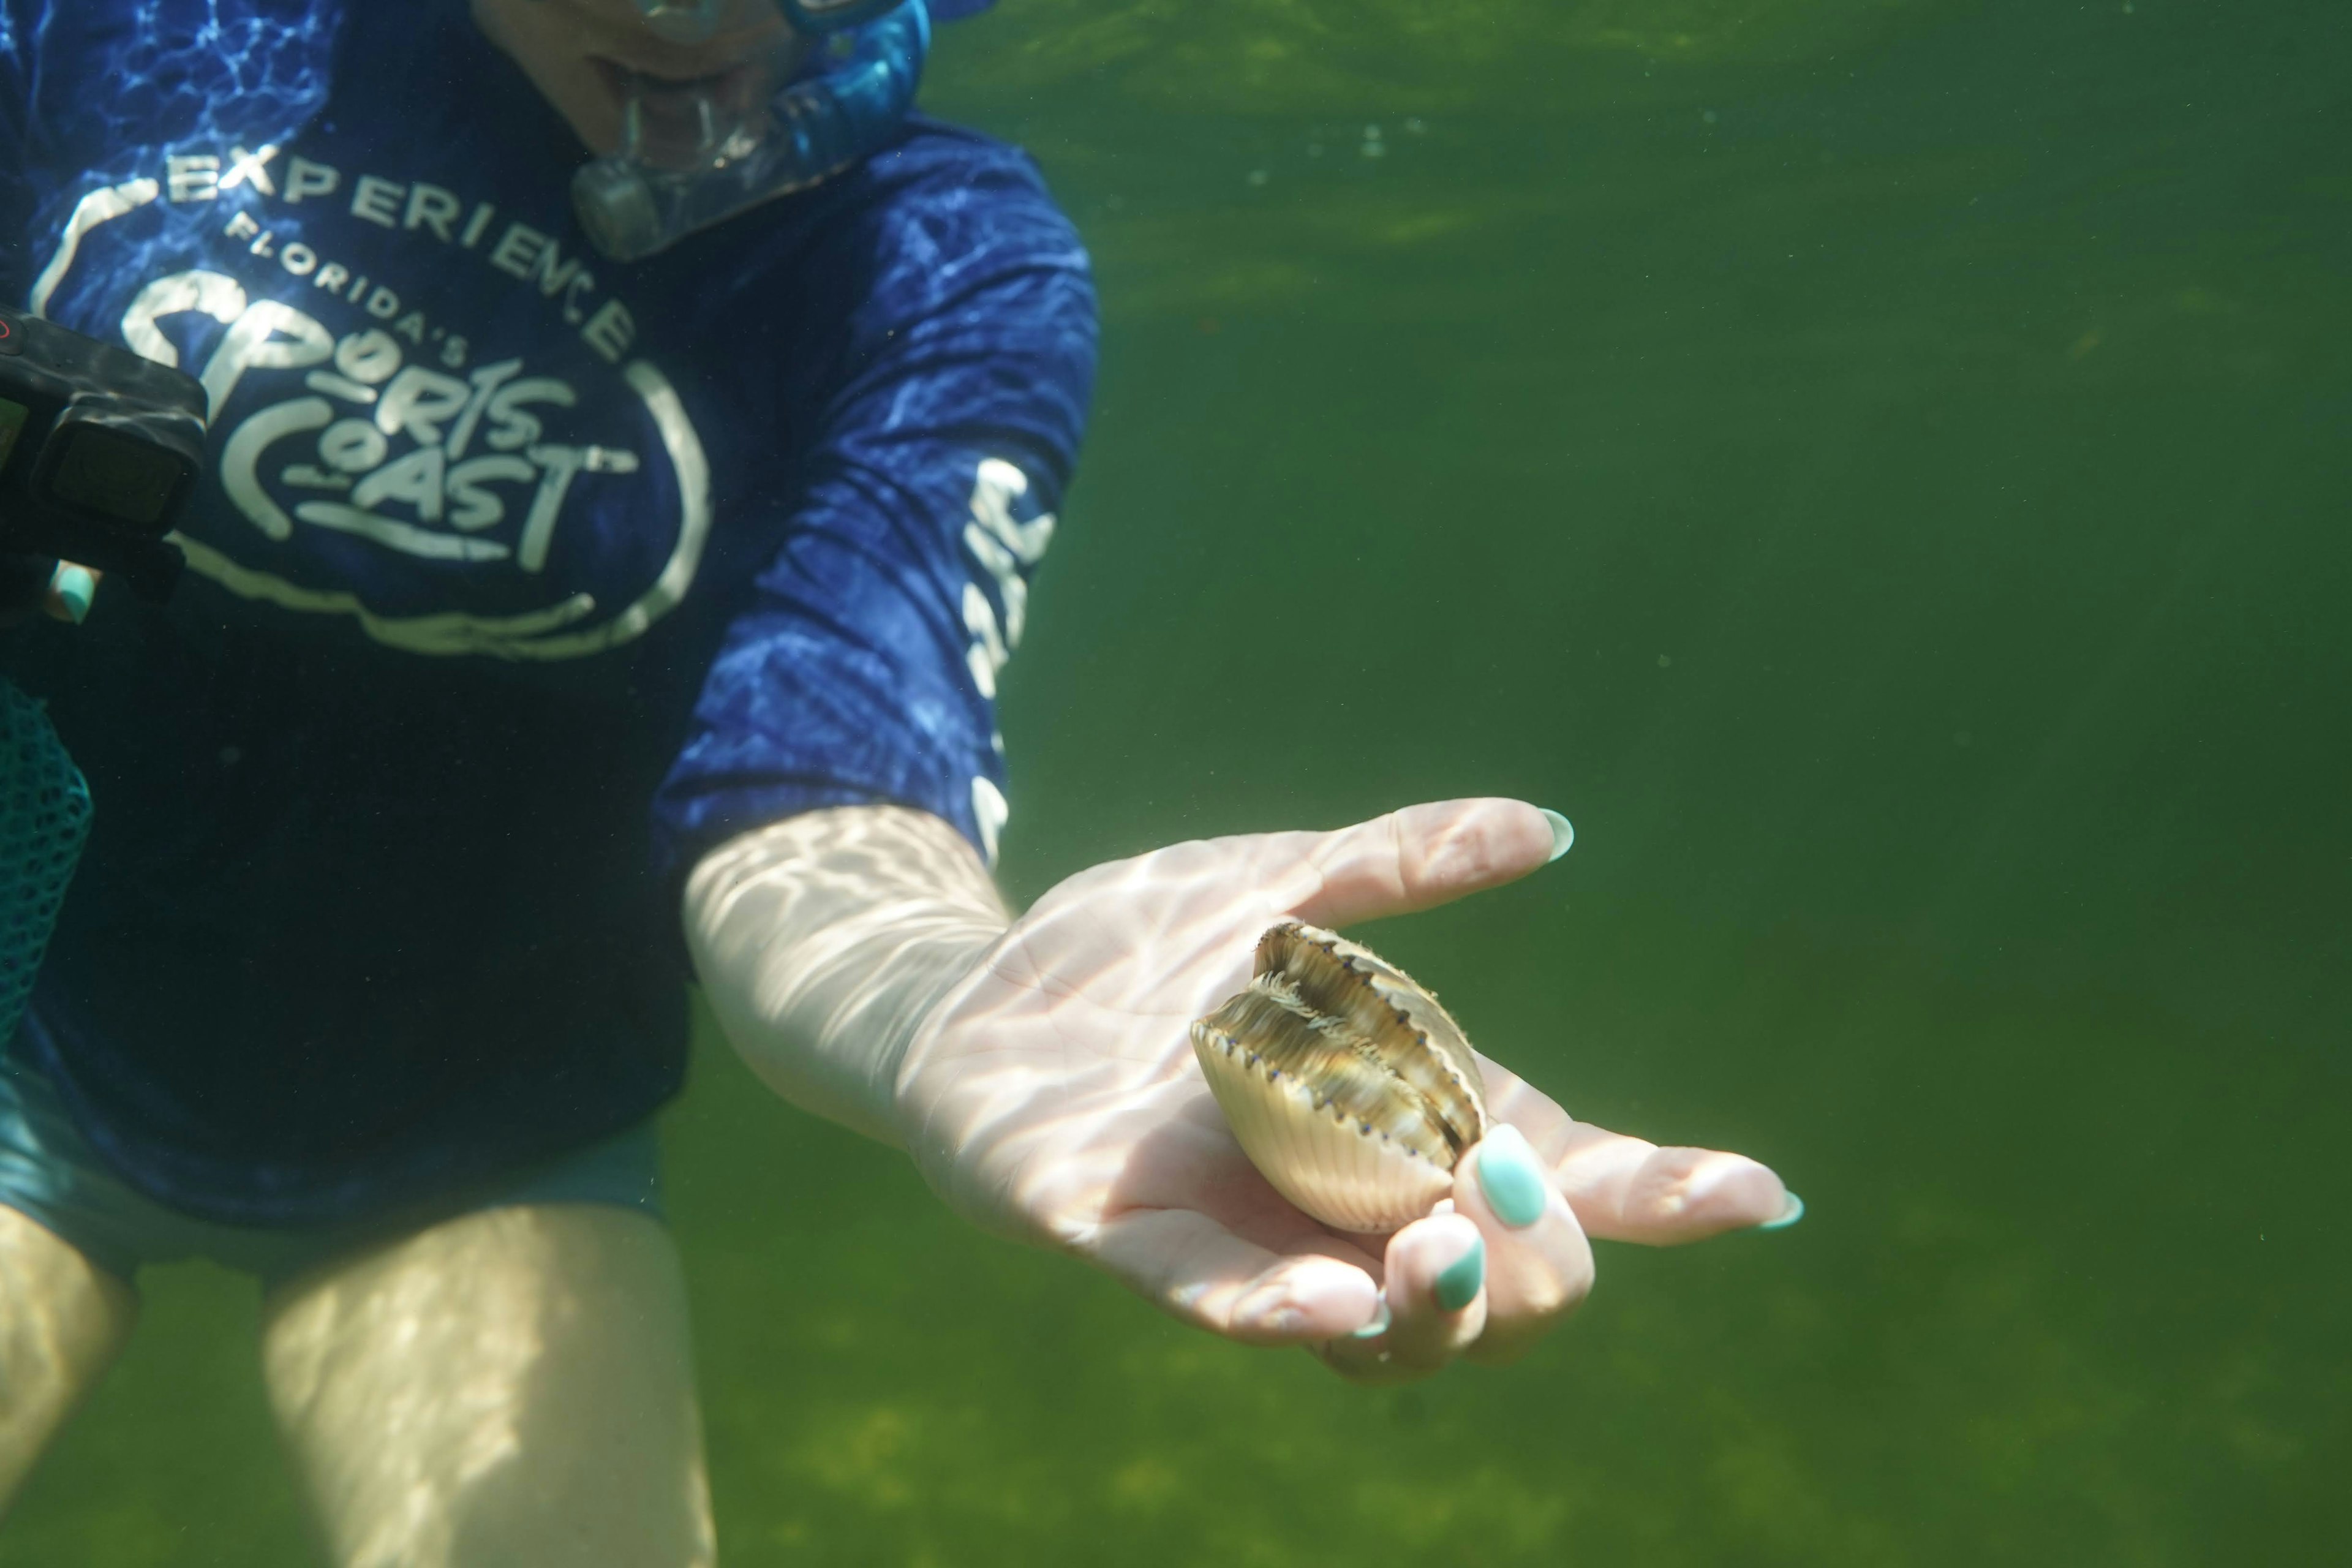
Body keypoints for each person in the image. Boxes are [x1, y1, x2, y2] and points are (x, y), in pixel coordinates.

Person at [0, 1, 1799, 1562]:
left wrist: (944, 1000)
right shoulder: (143, 23)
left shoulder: (932, 260)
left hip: (472, 1137)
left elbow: (823, 778)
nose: (703, 16)